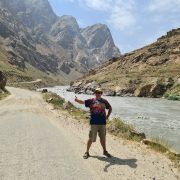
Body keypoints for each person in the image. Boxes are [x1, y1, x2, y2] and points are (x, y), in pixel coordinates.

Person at [75, 88, 112, 159]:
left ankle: (105, 151)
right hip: (93, 123)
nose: (98, 94)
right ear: (95, 93)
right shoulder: (91, 101)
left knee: (103, 139)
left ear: (101, 93)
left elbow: (110, 108)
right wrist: (77, 100)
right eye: (96, 92)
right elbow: (83, 102)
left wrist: (107, 116)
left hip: (102, 123)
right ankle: (87, 152)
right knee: (91, 138)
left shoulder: (104, 101)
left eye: (99, 92)